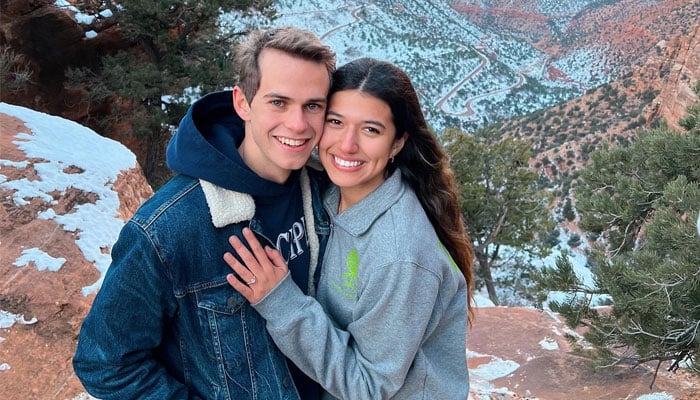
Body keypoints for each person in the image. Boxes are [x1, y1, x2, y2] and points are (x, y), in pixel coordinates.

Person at [72, 26, 336, 399]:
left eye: (313, 106)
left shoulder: (323, 192)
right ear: (242, 103)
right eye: (278, 102)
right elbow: (104, 363)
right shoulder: (168, 229)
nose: (298, 124)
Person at [225, 57, 475, 399]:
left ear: (398, 143)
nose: (346, 145)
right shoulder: (328, 185)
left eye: (371, 130)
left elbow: (369, 387)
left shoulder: (399, 255)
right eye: (335, 121)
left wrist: (281, 302)